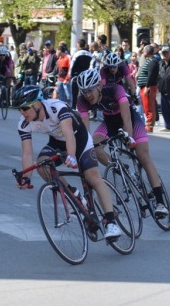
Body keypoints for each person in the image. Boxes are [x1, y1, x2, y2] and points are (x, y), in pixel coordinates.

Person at [15, 85, 122, 239]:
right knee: (42, 164)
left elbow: (68, 133)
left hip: (79, 138)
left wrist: (71, 156)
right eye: (20, 109)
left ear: (38, 104)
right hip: (57, 142)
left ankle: (111, 223)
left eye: (25, 108)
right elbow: (27, 152)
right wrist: (26, 177)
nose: (22, 112)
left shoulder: (57, 107)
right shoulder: (23, 123)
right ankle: (74, 195)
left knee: (93, 177)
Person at [75, 69, 169, 218]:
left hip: (130, 119)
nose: (87, 94)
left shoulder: (115, 89)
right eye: (84, 91)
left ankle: (160, 202)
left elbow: (126, 118)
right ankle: (121, 168)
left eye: (90, 90)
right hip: (109, 123)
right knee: (95, 147)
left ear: (99, 86)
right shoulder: (82, 101)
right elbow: (85, 131)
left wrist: (128, 137)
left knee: (143, 156)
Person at [136, 45, 160, 132]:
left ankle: (149, 126)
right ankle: (149, 125)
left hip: (148, 87)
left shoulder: (152, 61)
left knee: (148, 106)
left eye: (143, 51)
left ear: (146, 52)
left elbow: (150, 75)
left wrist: (147, 87)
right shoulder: (149, 61)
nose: (142, 52)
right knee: (147, 106)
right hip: (146, 87)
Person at [69, 38, 97, 109]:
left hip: (76, 77)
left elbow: (71, 66)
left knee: (74, 94)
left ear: (78, 45)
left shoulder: (76, 54)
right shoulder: (90, 54)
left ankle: (73, 108)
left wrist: (70, 76)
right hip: (86, 77)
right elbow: (91, 66)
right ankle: (86, 109)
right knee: (85, 93)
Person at [0, 46, 15, 114]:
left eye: (3, 55)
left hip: (4, 70)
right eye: (0, 55)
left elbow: (11, 69)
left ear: (6, 54)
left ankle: (5, 89)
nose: (2, 56)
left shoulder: (8, 58)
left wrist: (13, 78)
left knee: (9, 75)